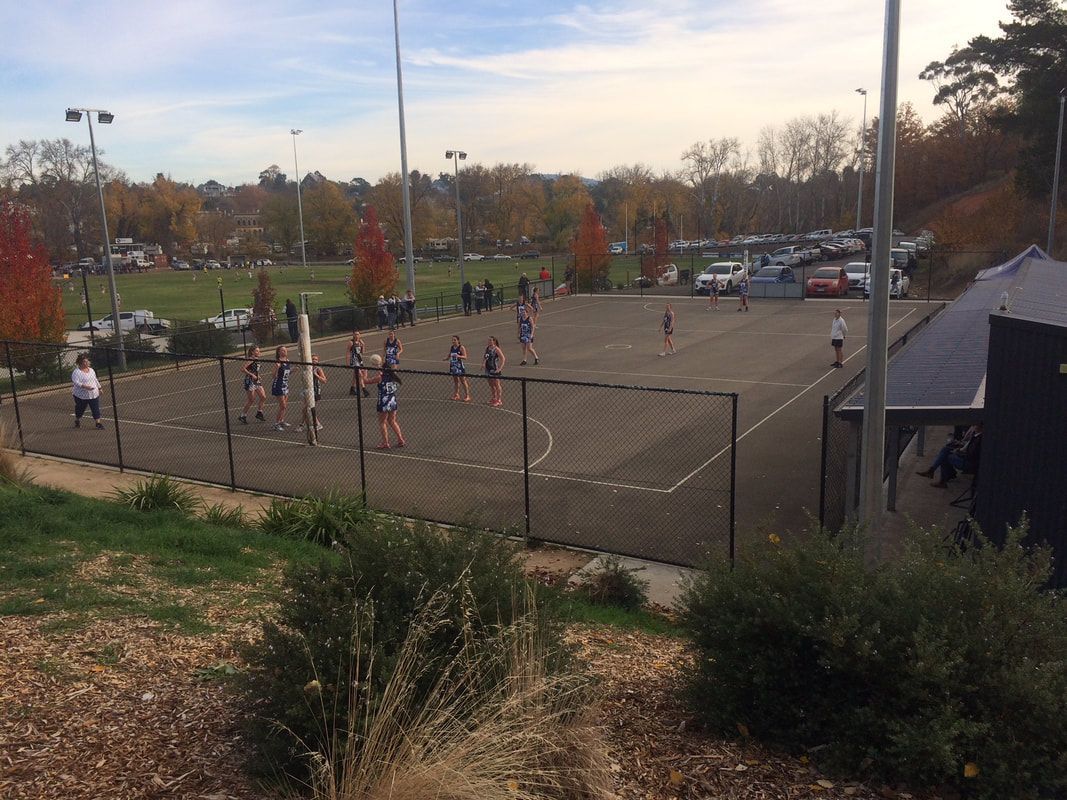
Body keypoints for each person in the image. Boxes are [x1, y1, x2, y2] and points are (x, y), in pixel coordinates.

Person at [917, 423, 983, 488]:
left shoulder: (979, 439)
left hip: (968, 463)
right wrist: (960, 447)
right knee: (945, 449)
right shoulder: (977, 436)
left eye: (975, 425)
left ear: (980, 427)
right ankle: (934, 471)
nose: (973, 427)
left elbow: (971, 454)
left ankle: (941, 479)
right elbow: (968, 446)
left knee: (945, 457)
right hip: (967, 458)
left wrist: (958, 452)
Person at [363, 353, 405, 449]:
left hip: (383, 402)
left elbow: (366, 381)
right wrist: (379, 366)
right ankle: (400, 439)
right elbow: (381, 372)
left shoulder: (380, 378)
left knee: (382, 422)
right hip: (392, 401)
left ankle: (385, 442)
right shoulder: (393, 377)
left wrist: (364, 374)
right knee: (392, 421)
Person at [71, 353, 104, 429]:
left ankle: (98, 423)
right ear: (81, 363)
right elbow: (76, 382)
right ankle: (77, 420)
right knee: (80, 410)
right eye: (85, 361)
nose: (88, 363)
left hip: (93, 394)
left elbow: (95, 379)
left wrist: (99, 388)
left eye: (87, 361)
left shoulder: (91, 370)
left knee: (95, 408)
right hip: (81, 396)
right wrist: (85, 387)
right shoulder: (76, 372)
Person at [298, 354, 328, 432]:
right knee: (306, 409)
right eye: (313, 359)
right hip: (307, 391)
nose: (314, 360)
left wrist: (316, 375)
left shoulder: (318, 369)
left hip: (315, 392)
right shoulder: (307, 368)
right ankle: (304, 425)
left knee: (308, 409)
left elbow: (324, 380)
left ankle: (316, 424)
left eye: (316, 359)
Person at [238, 345, 267, 423]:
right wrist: (252, 375)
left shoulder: (257, 360)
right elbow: (242, 369)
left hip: (256, 380)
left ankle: (259, 412)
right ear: (252, 352)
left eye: (259, 350)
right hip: (250, 381)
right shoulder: (251, 359)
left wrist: (258, 375)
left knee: (263, 397)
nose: (259, 352)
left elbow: (254, 369)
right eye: (257, 351)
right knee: (251, 400)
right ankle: (243, 415)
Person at [271, 345, 292, 431]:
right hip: (278, 384)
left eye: (285, 350)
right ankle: (276, 424)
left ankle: (281, 420)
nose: (285, 351)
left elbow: (287, 373)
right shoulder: (278, 362)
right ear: (279, 352)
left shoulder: (287, 361)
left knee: (284, 405)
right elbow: (273, 376)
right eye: (282, 350)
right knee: (282, 405)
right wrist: (277, 368)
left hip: (285, 384)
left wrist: (294, 369)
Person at [445, 335, 472, 402]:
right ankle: (456, 394)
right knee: (455, 381)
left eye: (454, 340)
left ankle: (467, 395)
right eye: (452, 340)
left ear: (458, 340)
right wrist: (447, 358)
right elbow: (450, 354)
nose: (453, 341)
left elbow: (465, 357)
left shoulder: (461, 347)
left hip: (459, 366)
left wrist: (459, 356)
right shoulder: (452, 347)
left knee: (463, 381)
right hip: (453, 365)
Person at [484, 336, 505, 407]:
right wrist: (483, 364)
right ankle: (494, 398)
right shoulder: (487, 348)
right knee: (491, 384)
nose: (489, 342)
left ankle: (499, 400)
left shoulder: (496, 349)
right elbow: (485, 357)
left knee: (497, 384)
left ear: (494, 341)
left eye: (490, 340)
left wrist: (499, 369)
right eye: (488, 340)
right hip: (488, 369)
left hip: (494, 369)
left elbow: (503, 358)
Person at [346, 330, 369, 397]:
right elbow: (347, 353)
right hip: (354, 360)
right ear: (353, 335)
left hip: (359, 360)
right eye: (355, 334)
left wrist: (363, 345)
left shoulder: (360, 342)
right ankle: (364, 390)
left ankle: (352, 388)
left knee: (355, 375)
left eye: (358, 334)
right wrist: (347, 362)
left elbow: (362, 352)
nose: (357, 335)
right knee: (360, 374)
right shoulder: (351, 342)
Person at [518, 301, 539, 366]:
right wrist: (518, 333)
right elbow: (519, 327)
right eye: (522, 312)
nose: (523, 313)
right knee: (523, 348)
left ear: (527, 313)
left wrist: (532, 334)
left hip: (528, 334)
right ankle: (524, 360)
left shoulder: (529, 319)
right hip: (522, 334)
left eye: (524, 312)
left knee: (529, 348)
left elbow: (533, 327)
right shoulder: (520, 319)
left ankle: (536, 357)